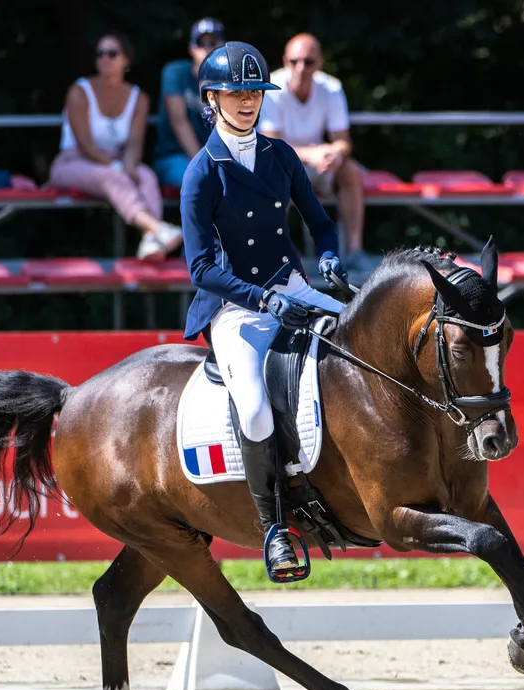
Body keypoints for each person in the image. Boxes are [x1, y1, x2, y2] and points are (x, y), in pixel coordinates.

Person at [179, 41, 348, 582]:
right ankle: (275, 529)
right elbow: (201, 268)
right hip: (237, 307)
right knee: (253, 408)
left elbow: (320, 222)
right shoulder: (202, 173)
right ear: (212, 99)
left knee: (360, 345)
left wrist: (328, 256)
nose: (249, 101)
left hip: (292, 287)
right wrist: (260, 298)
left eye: (255, 91)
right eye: (237, 93)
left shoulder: (281, 155)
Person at [50, 33, 183, 261]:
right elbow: (85, 145)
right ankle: (157, 227)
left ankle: (151, 242)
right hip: (73, 162)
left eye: (112, 53)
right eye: (100, 54)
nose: (105, 59)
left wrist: (128, 165)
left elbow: (134, 144)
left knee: (146, 176)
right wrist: (119, 167)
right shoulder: (79, 92)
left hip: (117, 161)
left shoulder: (138, 98)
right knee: (112, 177)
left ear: (126, 60)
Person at [259, 34, 368, 277]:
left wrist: (334, 153)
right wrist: (314, 153)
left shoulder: (331, 88)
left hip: (319, 166)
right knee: (275, 174)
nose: (301, 68)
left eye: (308, 62)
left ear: (319, 63)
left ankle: (354, 252)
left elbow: (343, 141)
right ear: (285, 61)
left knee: (350, 171)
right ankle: (277, 255)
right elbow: (270, 145)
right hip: (284, 166)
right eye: (294, 61)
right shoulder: (271, 88)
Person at [152, 18, 226, 189]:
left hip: (218, 159)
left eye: (213, 42)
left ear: (224, 46)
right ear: (191, 48)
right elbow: (179, 122)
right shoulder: (175, 73)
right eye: (201, 43)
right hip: (175, 157)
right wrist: (206, 166)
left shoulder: (231, 80)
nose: (207, 48)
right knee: (205, 182)